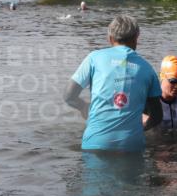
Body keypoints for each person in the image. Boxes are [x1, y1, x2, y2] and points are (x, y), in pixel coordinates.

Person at [64, 15, 163, 152]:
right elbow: (157, 116)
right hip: (131, 146)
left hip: (95, 144)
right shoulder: (147, 68)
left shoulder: (93, 58)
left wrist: (84, 107)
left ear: (109, 38)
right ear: (136, 38)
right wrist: (142, 128)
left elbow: (69, 96)